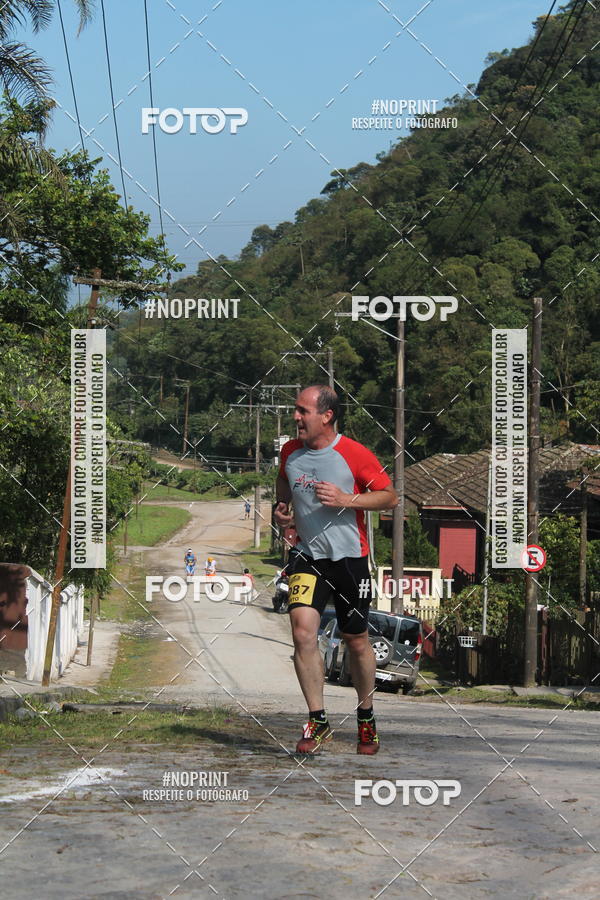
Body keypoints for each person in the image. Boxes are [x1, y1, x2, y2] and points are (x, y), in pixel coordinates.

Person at [274, 385, 398, 756]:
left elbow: (389, 496)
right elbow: (284, 479)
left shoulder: (353, 454)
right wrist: (283, 510)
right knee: (302, 634)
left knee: (356, 639)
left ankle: (365, 715)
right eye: (296, 411)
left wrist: (348, 500)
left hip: (349, 559)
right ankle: (318, 719)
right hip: (308, 557)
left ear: (326, 416)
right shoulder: (289, 452)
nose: (296, 418)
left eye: (302, 411)